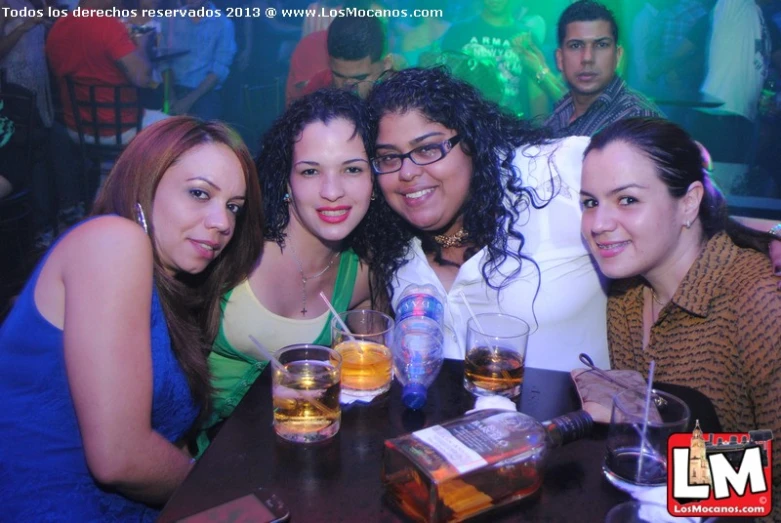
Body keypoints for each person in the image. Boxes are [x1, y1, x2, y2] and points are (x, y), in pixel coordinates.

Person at [0, 116, 264, 520]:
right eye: (198, 193)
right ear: (145, 181)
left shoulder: (171, 290)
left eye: (233, 207)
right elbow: (118, 457)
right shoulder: (113, 240)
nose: (223, 222)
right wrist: (217, 494)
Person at [579, 117, 780, 518]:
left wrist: (664, 466)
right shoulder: (626, 293)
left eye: (628, 200)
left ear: (689, 202)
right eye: (590, 202)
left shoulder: (757, 301)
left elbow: (775, 482)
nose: (599, 224)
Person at [365, 66, 609, 372]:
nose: (407, 172)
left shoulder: (553, 174)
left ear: (472, 141)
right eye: (389, 157)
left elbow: (672, 179)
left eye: (427, 149)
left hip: (585, 419)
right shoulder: (393, 250)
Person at [199, 89, 378, 451]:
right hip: (194, 469)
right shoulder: (231, 248)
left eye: (353, 169)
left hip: (291, 465)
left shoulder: (361, 275)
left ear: (375, 180)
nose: (332, 192)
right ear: (286, 182)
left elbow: (364, 394)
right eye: (310, 171)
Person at [46, 0, 165, 144]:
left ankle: (108, 165)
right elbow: (143, 79)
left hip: (75, 128)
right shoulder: (109, 25)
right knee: (183, 134)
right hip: (120, 129)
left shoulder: (57, 27)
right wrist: (141, 46)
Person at [545, 0, 661, 137]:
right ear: (560, 59)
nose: (587, 58)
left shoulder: (637, 120)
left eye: (601, 45)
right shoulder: (561, 112)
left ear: (617, 56)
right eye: (575, 45)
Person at [440, 0, 548, 118]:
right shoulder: (458, 32)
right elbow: (445, 86)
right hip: (468, 125)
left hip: (512, 127)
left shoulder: (527, 38)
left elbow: (537, 92)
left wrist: (541, 131)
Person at [161, 0, 236, 120]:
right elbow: (163, 61)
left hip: (203, 93)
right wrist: (169, 95)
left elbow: (219, 69)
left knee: (201, 131)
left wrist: (188, 101)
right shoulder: (170, 20)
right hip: (170, 88)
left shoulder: (223, 24)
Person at [296, 14, 393, 101]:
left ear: (385, 65)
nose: (348, 87)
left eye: (360, 77)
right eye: (339, 75)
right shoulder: (318, 88)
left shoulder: (401, 99)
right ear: (329, 63)